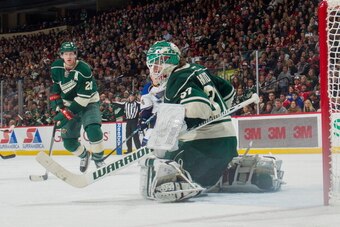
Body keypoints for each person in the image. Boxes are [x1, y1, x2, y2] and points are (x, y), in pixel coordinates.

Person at [140, 41, 284, 202]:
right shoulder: (198, 69)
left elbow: (200, 107)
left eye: (156, 64)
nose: (154, 70)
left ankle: (177, 181)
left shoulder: (178, 77)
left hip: (204, 148)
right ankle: (232, 172)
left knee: (159, 157)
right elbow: (229, 92)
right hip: (228, 145)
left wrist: (180, 122)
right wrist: (216, 113)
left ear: (168, 60)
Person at [50, 42, 105, 173]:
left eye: (71, 53)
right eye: (66, 54)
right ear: (61, 55)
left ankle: (99, 160)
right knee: (68, 143)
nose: (69, 56)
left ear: (75, 54)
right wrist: (58, 105)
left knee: (93, 129)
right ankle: (85, 156)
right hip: (69, 103)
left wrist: (65, 114)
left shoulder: (84, 69)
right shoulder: (56, 67)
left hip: (89, 102)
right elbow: (56, 88)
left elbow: (83, 99)